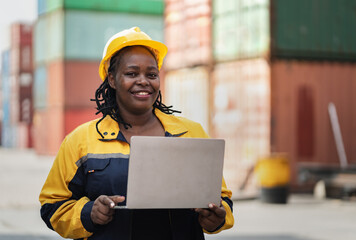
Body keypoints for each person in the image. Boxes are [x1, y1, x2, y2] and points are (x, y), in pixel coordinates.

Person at [39, 27, 234, 240]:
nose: (143, 81)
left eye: (151, 74)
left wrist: (217, 217)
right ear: (112, 80)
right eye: (132, 73)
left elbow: (221, 199)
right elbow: (52, 207)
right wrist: (89, 213)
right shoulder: (80, 141)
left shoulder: (191, 133)